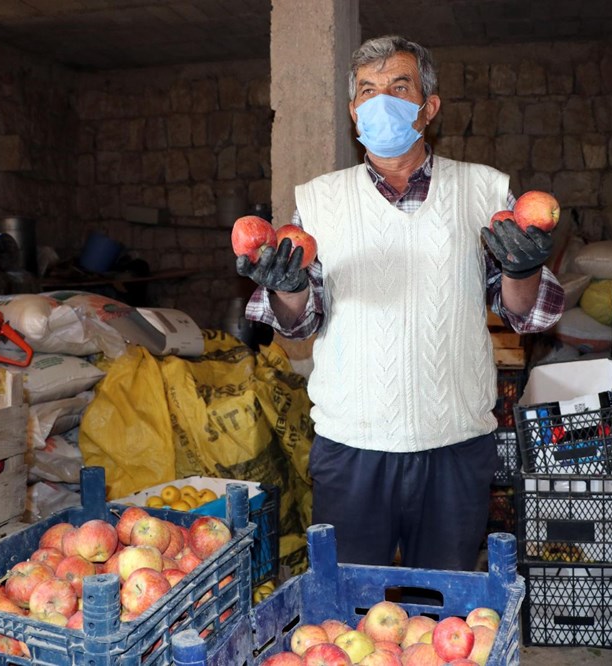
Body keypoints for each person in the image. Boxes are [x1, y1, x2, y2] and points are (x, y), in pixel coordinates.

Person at [237, 34, 564, 571]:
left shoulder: (484, 191)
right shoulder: (319, 199)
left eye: (398, 86)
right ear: (352, 111)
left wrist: (522, 270)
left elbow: (523, 312)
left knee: (443, 615)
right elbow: (299, 322)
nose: (380, 101)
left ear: (428, 107)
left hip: (455, 445)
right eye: (367, 90)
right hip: (352, 447)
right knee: (347, 621)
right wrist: (285, 286)